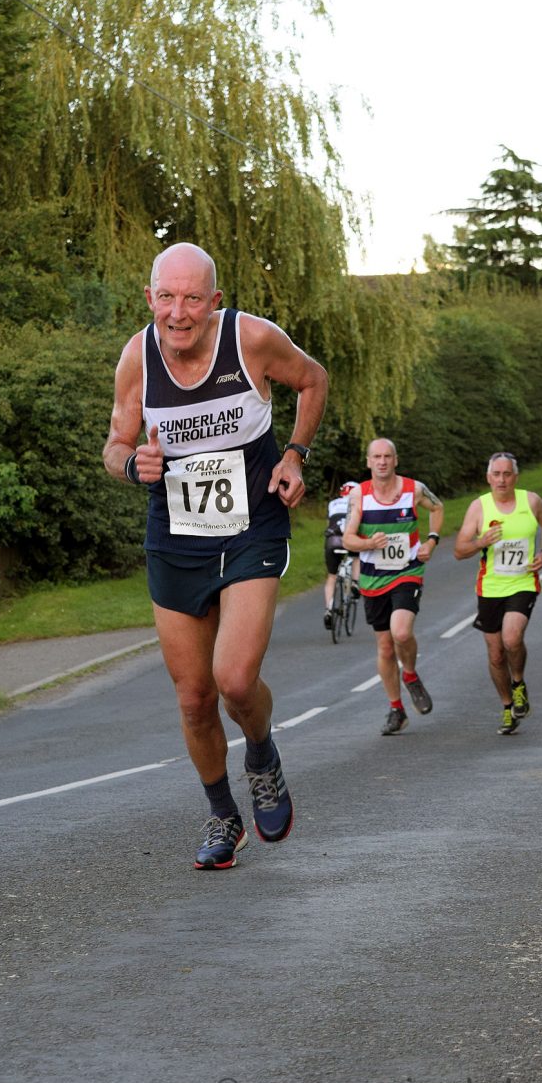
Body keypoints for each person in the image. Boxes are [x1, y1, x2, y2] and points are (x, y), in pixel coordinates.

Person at [103, 242, 328, 870]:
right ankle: (222, 815)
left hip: (252, 526)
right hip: (175, 536)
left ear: (214, 302)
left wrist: (293, 455)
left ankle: (261, 752)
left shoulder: (251, 340)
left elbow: (313, 379)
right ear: (149, 298)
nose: (179, 312)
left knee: (234, 680)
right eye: (167, 297)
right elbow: (115, 445)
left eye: (193, 298)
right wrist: (133, 464)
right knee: (195, 698)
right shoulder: (136, 359)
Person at [341, 438, 443, 735]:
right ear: (368, 462)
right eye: (377, 457)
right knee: (385, 647)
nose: (382, 461)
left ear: (395, 460)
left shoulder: (414, 489)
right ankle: (396, 709)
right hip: (373, 578)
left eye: (387, 456)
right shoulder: (360, 495)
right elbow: (348, 538)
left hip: (407, 571)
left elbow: (437, 508)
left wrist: (432, 540)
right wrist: (368, 543)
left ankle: (409, 675)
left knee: (401, 632)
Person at [453, 451, 542, 735]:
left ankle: (519, 681)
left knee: (512, 637)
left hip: (523, 582)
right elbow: (459, 551)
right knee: (496, 654)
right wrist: (480, 541)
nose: (501, 479)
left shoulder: (531, 501)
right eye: (496, 474)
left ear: (515, 477)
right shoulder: (478, 508)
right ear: (488, 478)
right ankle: (508, 707)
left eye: (506, 474)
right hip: (490, 587)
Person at [323, 481, 360, 630]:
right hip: (348, 539)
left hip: (332, 540)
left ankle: (329, 609)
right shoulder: (357, 503)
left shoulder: (332, 503)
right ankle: (355, 583)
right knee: (356, 558)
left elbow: (329, 523)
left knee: (331, 576)